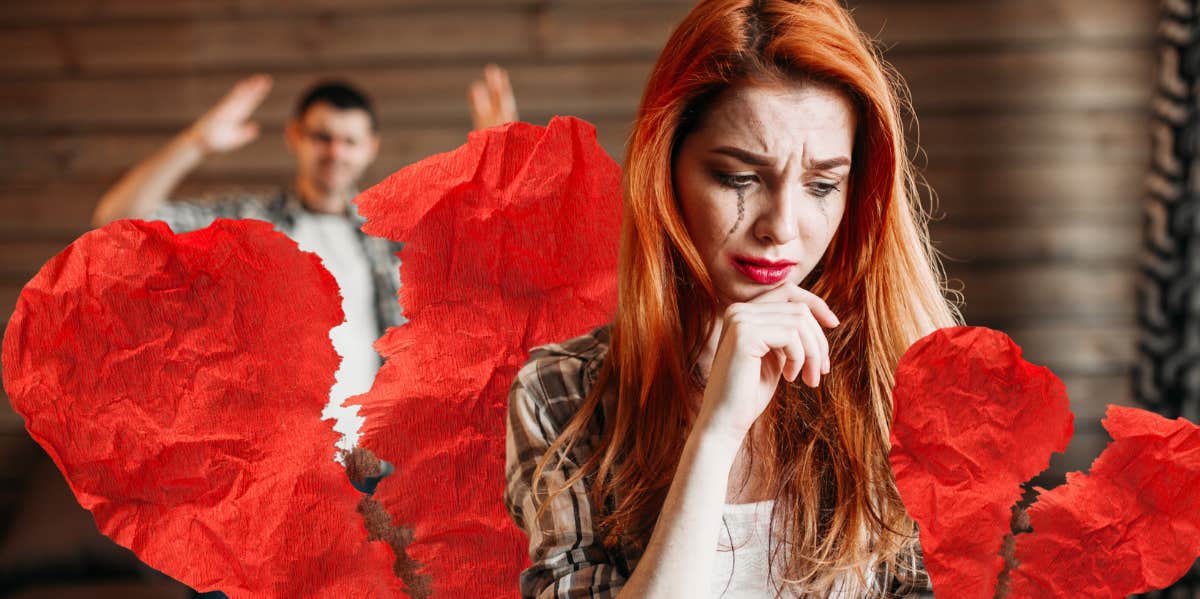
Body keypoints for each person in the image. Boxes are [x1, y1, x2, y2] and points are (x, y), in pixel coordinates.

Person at [504, 0, 958, 597]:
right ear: (664, 172)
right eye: (739, 178)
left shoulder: (896, 382)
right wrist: (715, 437)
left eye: (822, 185)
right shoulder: (564, 392)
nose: (782, 227)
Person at [92, 66, 517, 450]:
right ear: (295, 136)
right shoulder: (245, 222)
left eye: (349, 141)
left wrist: (499, 162)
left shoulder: (395, 239)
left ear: (370, 148)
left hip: (373, 469)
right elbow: (117, 220)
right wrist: (196, 142)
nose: (335, 152)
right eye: (322, 137)